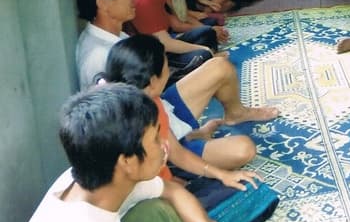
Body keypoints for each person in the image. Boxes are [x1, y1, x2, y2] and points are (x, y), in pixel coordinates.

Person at [74, 0, 278, 164]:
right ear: (103, 4)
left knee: (220, 67)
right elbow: (127, 126)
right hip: (152, 143)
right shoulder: (98, 55)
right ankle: (183, 152)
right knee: (242, 150)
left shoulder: (114, 35)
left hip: (161, 114)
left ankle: (236, 114)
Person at [19, 83, 220, 222]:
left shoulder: (101, 174)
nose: (164, 144)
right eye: (156, 138)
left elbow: (172, 190)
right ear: (127, 161)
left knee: (154, 213)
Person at [101, 36, 262, 200]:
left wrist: (220, 175)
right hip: (154, 178)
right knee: (243, 152)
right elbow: (177, 154)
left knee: (220, 66)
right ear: (153, 81)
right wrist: (167, 182)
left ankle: (198, 135)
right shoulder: (134, 119)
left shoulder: (136, 96)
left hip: (164, 145)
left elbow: (173, 148)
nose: (169, 70)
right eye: (166, 67)